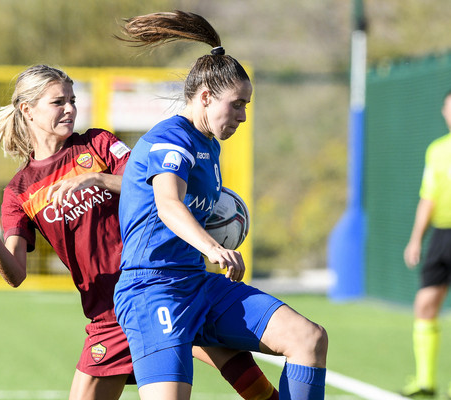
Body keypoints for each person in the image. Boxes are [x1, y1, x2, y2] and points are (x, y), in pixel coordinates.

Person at [0, 64, 280, 400]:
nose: (71, 109)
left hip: (159, 290)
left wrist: (97, 178)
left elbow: (154, 189)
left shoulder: (98, 144)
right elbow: (15, 275)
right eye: (59, 102)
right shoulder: (20, 190)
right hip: (108, 316)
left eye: (73, 100)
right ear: (27, 110)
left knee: (249, 380)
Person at [114, 11, 328, 400]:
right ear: (207, 97)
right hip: (153, 289)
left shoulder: (208, 144)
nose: (244, 116)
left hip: (199, 285)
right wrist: (214, 247)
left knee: (308, 339)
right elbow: (166, 203)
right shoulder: (171, 140)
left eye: (247, 106)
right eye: (237, 105)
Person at [402, 88, 451, 399]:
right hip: (441, 236)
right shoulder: (437, 150)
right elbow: (428, 198)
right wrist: (415, 240)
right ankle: (426, 381)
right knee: (425, 304)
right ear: (444, 113)